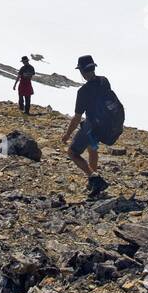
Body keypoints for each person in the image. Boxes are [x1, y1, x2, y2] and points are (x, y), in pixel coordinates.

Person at [62, 54, 111, 196]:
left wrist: (67, 134)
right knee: (92, 150)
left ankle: (94, 178)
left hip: (91, 125)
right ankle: (93, 183)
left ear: (82, 71)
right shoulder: (104, 81)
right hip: (104, 124)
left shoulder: (83, 91)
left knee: (72, 152)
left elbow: (77, 117)